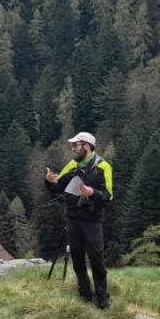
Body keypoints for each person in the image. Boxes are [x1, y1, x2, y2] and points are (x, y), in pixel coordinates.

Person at [44, 131, 114, 309]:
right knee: (77, 257)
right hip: (72, 217)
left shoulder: (103, 167)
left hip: (92, 220)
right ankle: (85, 295)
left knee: (96, 259)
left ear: (87, 146)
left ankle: (102, 299)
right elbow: (58, 187)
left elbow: (108, 195)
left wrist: (93, 193)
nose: (73, 148)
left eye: (76, 145)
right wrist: (50, 182)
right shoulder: (72, 165)